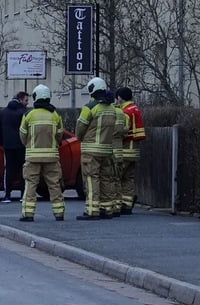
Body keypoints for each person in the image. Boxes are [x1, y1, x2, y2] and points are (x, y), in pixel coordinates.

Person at [75, 77, 124, 220]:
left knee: (92, 179)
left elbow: (80, 129)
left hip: (91, 151)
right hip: (107, 150)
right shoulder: (112, 109)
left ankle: (92, 210)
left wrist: (81, 138)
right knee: (107, 179)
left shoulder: (89, 108)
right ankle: (107, 209)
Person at [18, 84, 65, 222]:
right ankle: (59, 213)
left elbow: (22, 135)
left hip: (32, 157)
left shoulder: (28, 115)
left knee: (31, 185)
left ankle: (28, 214)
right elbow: (60, 135)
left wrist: (29, 145)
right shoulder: (55, 115)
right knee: (54, 185)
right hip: (51, 157)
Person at [115, 87, 145, 215]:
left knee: (117, 177)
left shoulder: (125, 112)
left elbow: (122, 131)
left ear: (120, 97)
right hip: (134, 151)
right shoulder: (135, 109)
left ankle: (116, 204)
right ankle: (127, 204)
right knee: (128, 179)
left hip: (125, 150)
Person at [0, 91, 29, 202]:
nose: (27, 103)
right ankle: (23, 194)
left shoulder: (4, 112)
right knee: (23, 169)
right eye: (26, 100)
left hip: (8, 146)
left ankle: (7, 195)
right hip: (22, 145)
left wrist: (2, 143)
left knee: (9, 169)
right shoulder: (24, 112)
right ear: (20, 100)